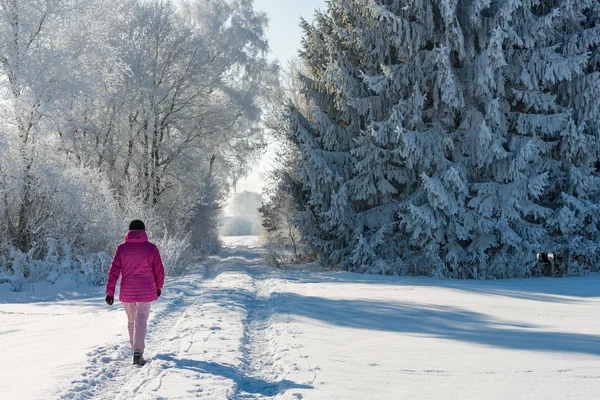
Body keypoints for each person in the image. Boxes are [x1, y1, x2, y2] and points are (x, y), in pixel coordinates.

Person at [105, 220, 164, 365]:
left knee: (132, 321)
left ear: (129, 231)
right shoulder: (151, 248)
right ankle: (138, 351)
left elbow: (113, 271)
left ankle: (134, 350)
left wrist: (110, 292)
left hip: (128, 291)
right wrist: (158, 286)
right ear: (144, 231)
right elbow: (159, 270)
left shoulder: (122, 248)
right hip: (146, 290)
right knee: (141, 320)